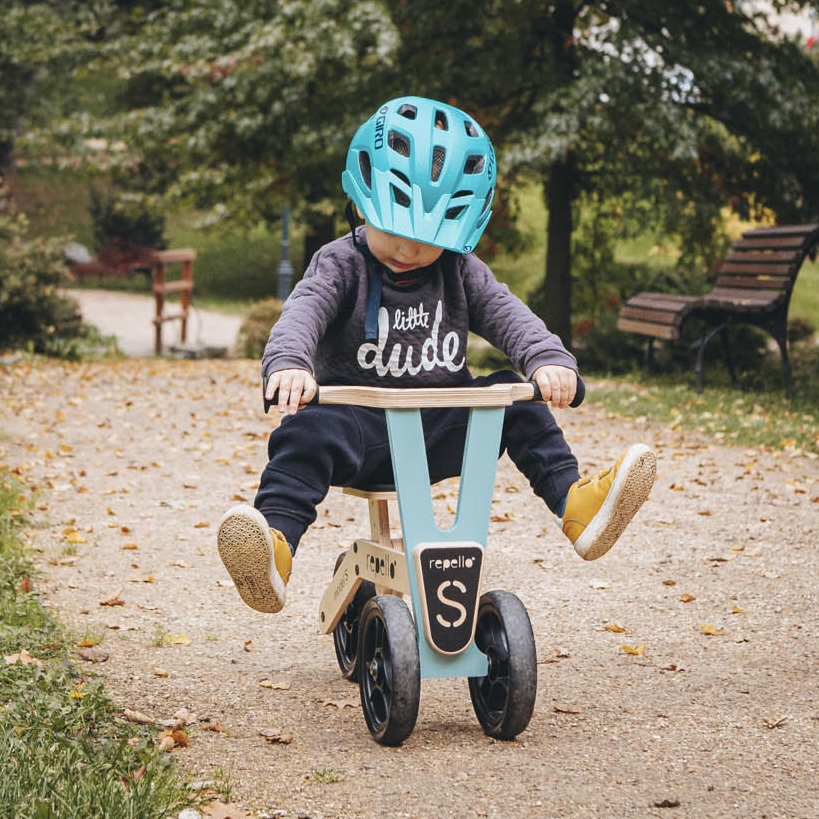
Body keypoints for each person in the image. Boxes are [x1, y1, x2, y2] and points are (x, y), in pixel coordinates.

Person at [217, 96, 656, 614]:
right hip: (359, 433)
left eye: (427, 240)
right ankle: (275, 549)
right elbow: (303, 312)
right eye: (396, 232)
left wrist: (547, 360)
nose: (408, 251)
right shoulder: (339, 264)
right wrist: (290, 363)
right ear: (362, 202)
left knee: (511, 399)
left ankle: (577, 506)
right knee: (303, 432)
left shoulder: (461, 270)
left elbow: (506, 311)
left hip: (439, 431)